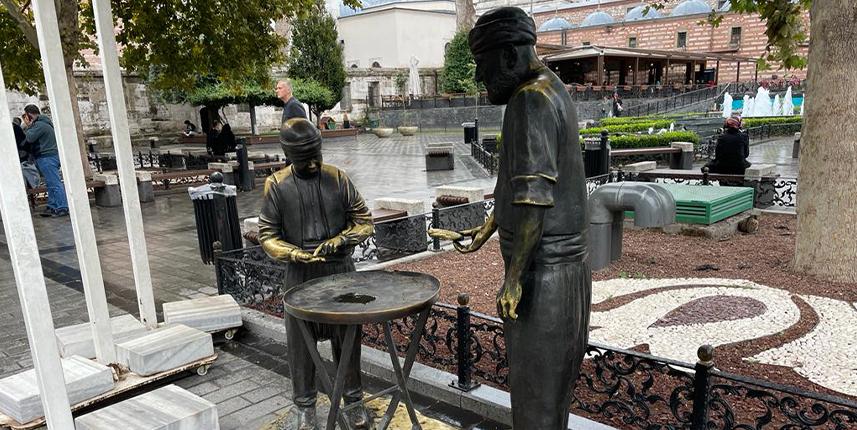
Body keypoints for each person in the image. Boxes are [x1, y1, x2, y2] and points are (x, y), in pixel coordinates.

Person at [430, 8, 590, 429]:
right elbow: (527, 191)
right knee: (552, 404)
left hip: (542, 278)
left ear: (509, 56)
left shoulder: (528, 101)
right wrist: (488, 228)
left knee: (535, 407)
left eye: (483, 66)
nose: (480, 79)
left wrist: (514, 278)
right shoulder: (552, 88)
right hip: (568, 276)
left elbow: (535, 202)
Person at [257, 118, 373, 430]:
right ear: (288, 156)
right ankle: (304, 406)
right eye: (304, 159)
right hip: (301, 276)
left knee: (348, 339)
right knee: (300, 346)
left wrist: (342, 239)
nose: (312, 164)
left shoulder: (337, 178)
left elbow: (364, 221)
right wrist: (294, 253)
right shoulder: (277, 185)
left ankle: (354, 400)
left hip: (340, 271)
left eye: (316, 156)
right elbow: (267, 237)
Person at [21, 104, 68, 217]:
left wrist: (28, 125)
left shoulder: (39, 125)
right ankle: (52, 206)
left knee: (55, 183)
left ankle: (63, 207)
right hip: (49, 157)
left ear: (29, 115)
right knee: (50, 183)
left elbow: (29, 138)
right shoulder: (45, 123)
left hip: (47, 157)